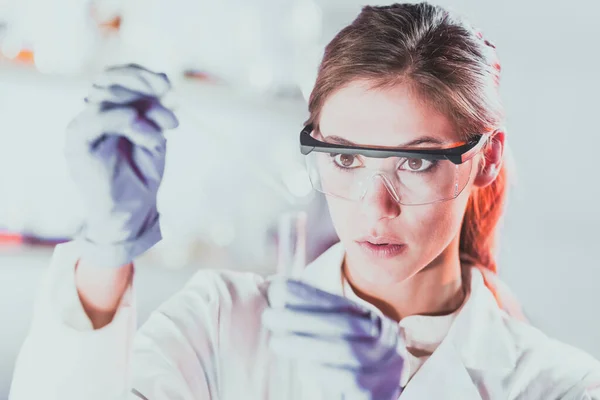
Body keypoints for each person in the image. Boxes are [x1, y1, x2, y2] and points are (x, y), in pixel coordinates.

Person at [9, 3, 600, 399]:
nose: (376, 207)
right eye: (345, 157)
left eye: (416, 161)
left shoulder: (559, 384)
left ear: (487, 158)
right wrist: (106, 251)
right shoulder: (220, 323)